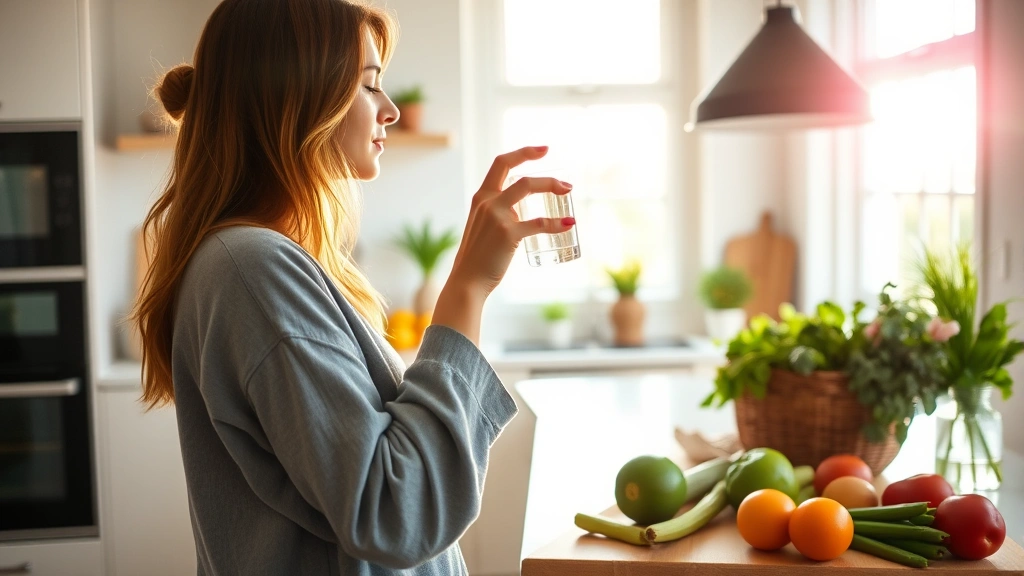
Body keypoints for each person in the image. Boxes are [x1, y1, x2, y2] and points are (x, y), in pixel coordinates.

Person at [131, 0, 576, 574]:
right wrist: (468, 287)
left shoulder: (251, 262)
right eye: (369, 86)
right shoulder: (253, 268)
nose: (389, 109)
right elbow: (397, 512)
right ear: (298, 97)